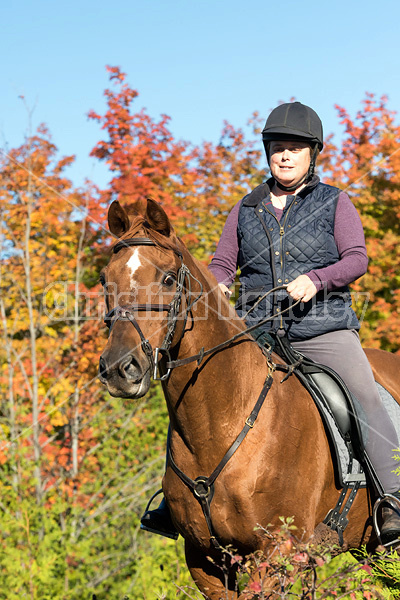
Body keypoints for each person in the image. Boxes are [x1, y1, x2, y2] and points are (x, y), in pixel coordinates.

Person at [141, 102, 400, 545]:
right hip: (258, 330)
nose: (285, 155)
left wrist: (317, 280)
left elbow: (357, 258)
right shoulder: (247, 207)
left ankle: (392, 500)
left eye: (294, 149)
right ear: (267, 152)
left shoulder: (335, 202)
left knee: (363, 394)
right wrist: (219, 283)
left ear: (312, 154)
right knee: (198, 388)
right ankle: (177, 499)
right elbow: (224, 261)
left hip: (323, 327)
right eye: (278, 147)